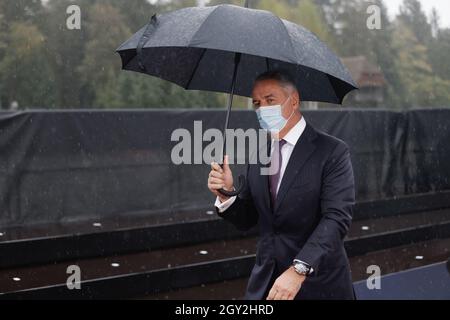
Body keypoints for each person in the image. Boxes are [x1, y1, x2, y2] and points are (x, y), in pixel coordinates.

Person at [207, 70, 356, 300]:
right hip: (266, 285)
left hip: (319, 286)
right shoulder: (259, 155)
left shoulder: (332, 152)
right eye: (256, 103)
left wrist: (299, 269)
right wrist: (226, 195)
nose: (262, 109)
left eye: (270, 100)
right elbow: (248, 218)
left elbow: (336, 218)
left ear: (293, 100)